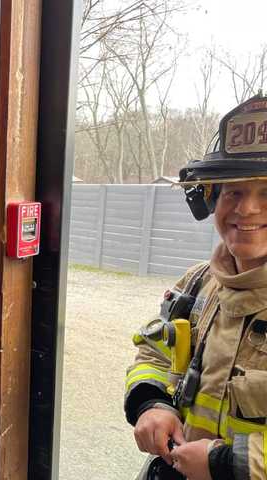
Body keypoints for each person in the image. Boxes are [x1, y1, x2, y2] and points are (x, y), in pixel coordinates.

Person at [126, 94, 267, 480]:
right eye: (232, 191)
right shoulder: (197, 283)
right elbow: (154, 353)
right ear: (210, 199)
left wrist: (227, 465)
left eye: (266, 193)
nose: (246, 209)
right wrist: (152, 404)